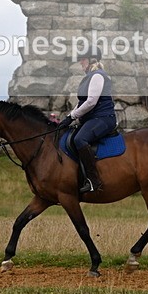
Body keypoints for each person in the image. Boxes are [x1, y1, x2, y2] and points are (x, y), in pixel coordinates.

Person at [56, 47, 116, 193]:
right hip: (93, 118)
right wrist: (69, 118)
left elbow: (91, 102)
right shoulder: (89, 77)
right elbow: (82, 102)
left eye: (83, 59)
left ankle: (94, 181)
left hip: (103, 119)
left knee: (80, 140)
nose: (80, 62)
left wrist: (72, 116)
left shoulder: (97, 75)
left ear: (91, 60)